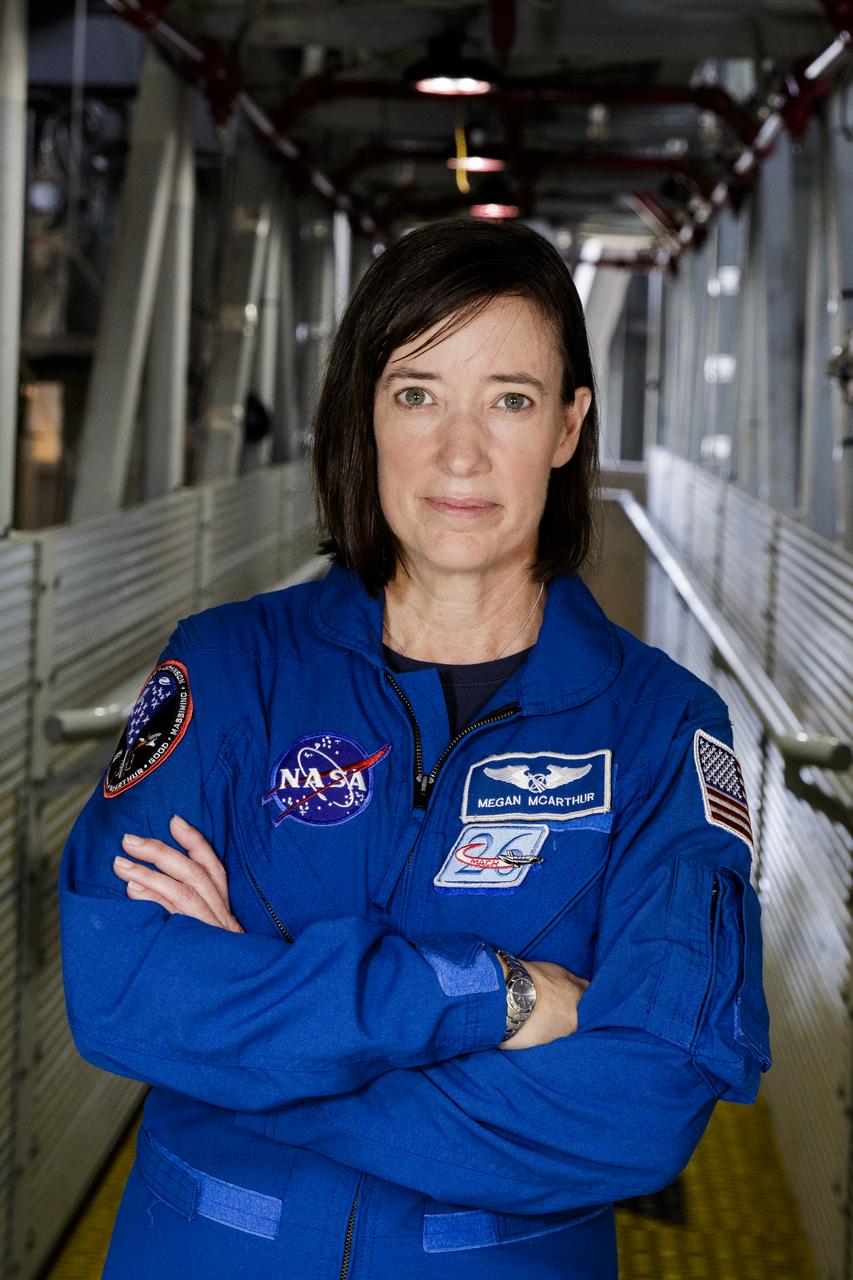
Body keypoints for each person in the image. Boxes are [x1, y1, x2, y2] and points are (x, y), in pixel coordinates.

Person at [59, 217, 771, 1280]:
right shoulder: (230, 668)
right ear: (367, 413)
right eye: (417, 394)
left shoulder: (661, 729)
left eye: (510, 400)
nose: (459, 453)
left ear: (568, 424)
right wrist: (496, 995)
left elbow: (641, 1107)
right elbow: (120, 987)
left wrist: (253, 1034)